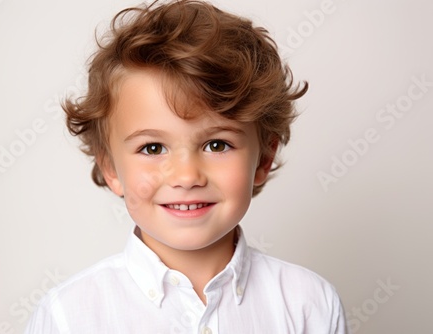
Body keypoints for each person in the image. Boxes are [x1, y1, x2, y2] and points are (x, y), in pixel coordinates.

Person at [25, 0, 347, 332]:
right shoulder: (69, 316)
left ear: (263, 159)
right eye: (152, 147)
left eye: (217, 145)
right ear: (109, 168)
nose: (186, 176)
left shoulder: (310, 304)